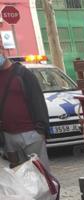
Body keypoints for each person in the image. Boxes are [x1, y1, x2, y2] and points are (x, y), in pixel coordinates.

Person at [0, 39, 50, 170]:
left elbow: (38, 101)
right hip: (9, 137)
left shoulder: (23, 74)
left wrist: (41, 130)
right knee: (20, 180)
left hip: (31, 134)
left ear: (2, 50)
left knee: (41, 176)